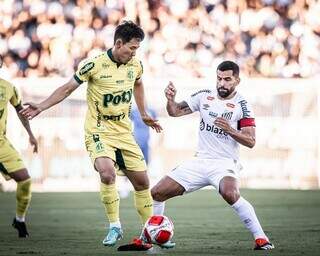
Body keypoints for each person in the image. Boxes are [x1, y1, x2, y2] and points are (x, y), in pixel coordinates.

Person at [19, 21, 162, 247]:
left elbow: (139, 84)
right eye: (132, 48)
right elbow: (67, 88)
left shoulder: (135, 65)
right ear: (118, 43)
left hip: (124, 132)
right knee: (107, 174)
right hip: (98, 131)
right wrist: (42, 106)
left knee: (143, 183)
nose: (135, 52)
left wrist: (143, 112)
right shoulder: (93, 65)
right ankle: (114, 226)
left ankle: (149, 233)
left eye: (137, 49)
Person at [151, 61, 274, 250]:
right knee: (157, 192)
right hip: (200, 161)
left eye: (227, 79)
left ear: (237, 80)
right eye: (219, 78)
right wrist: (170, 100)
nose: (221, 83)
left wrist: (231, 130)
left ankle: (261, 239)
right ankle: (153, 236)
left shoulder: (242, 105)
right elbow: (175, 112)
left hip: (223, 163)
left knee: (230, 193)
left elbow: (251, 141)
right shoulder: (204, 96)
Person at [0, 54, 38, 237]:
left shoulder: (8, 88)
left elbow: (20, 111)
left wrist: (31, 135)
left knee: (25, 179)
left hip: (1, 144)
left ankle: (19, 219)